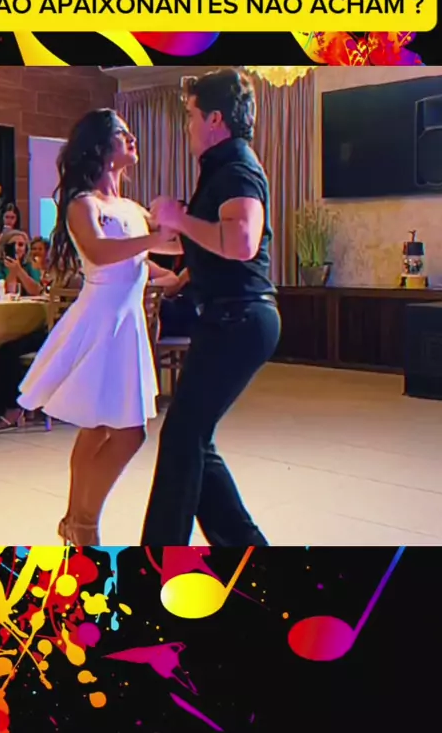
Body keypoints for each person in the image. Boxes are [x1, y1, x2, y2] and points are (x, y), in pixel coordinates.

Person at [17, 108, 176, 546]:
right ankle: (84, 523)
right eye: (123, 134)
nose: (132, 138)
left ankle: (76, 520)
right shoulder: (82, 203)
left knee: (103, 427)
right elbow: (101, 252)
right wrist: (155, 238)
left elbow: (158, 250)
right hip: (100, 320)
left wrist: (181, 243)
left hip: (127, 324)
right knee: (126, 432)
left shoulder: (131, 208)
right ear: (102, 147)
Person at [141, 68, 281, 546]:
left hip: (239, 318)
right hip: (231, 316)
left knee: (184, 437)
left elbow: (241, 242)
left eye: (191, 115)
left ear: (215, 119)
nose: (188, 126)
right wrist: (161, 261)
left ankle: (160, 557)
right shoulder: (222, 167)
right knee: (193, 440)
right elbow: (207, 245)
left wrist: (180, 218)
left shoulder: (237, 166)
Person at [0, 229, 42, 296]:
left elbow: (37, 291)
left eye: (20, 245)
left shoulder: (31, 265)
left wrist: (18, 269)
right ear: (4, 247)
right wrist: (12, 271)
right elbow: (9, 293)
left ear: (26, 249)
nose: (16, 248)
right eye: (12, 245)